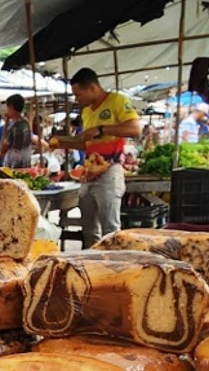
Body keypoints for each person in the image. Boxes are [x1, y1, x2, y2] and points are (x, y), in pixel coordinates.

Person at [49, 68, 141, 246]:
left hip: (109, 172)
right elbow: (86, 144)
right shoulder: (86, 112)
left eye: (78, 94)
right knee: (89, 229)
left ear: (92, 88)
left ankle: (115, 269)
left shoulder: (117, 100)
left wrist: (101, 129)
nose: (77, 99)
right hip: (88, 174)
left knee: (111, 229)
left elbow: (135, 129)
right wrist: (61, 142)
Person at [0, 94, 33, 169]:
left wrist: (7, 123)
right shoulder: (26, 123)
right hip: (25, 166)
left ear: (11, 107)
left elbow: (2, 150)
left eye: (7, 108)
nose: (6, 111)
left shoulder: (14, 128)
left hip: (13, 168)